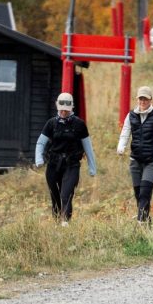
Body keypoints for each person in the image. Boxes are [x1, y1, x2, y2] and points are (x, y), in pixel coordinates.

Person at [116, 86, 153, 224]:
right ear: (137, 99)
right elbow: (125, 133)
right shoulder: (131, 115)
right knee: (139, 194)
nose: (143, 101)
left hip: (152, 161)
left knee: (145, 191)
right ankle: (146, 219)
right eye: (140, 99)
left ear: (150, 100)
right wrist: (121, 146)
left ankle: (141, 221)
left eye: (145, 99)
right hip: (135, 161)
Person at [35, 92, 97, 225]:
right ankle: (57, 222)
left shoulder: (79, 124)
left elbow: (88, 147)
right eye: (61, 109)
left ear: (71, 108)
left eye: (66, 110)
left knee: (66, 194)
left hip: (71, 165)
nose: (63, 112)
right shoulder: (51, 123)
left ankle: (65, 223)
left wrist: (92, 167)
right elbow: (40, 143)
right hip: (53, 165)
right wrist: (38, 159)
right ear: (57, 106)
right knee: (55, 196)